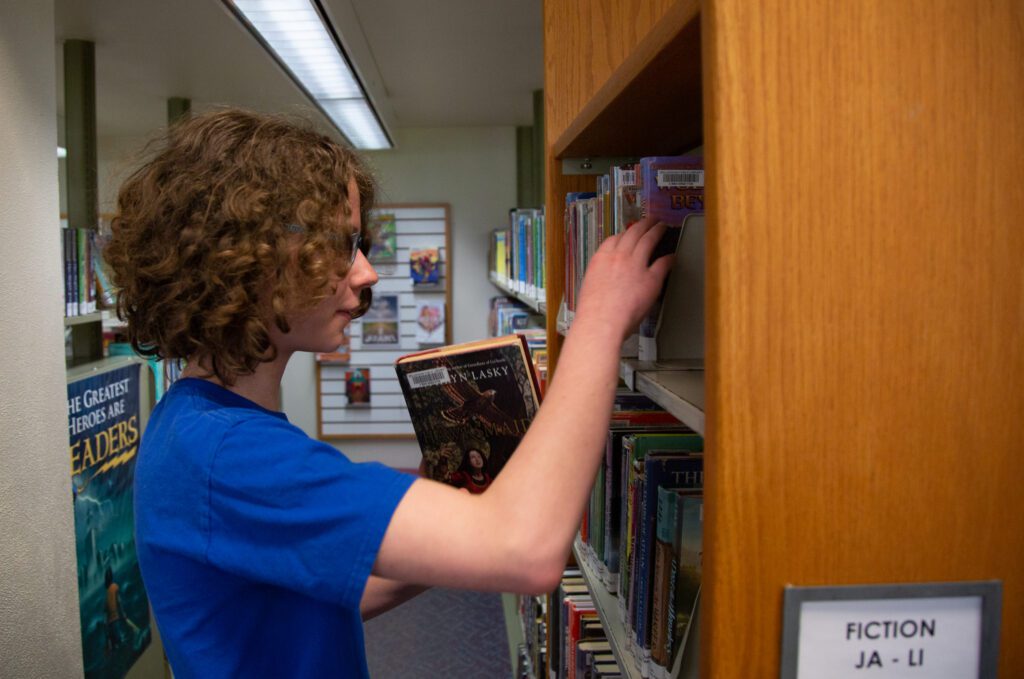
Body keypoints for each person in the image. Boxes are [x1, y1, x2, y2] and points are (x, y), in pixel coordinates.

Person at [105, 108, 672, 678]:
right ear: (245, 255)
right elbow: (526, 550)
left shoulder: (197, 423)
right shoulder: (228, 454)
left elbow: (328, 597)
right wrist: (599, 317)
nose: (367, 273)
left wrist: (443, 521)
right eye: (338, 244)